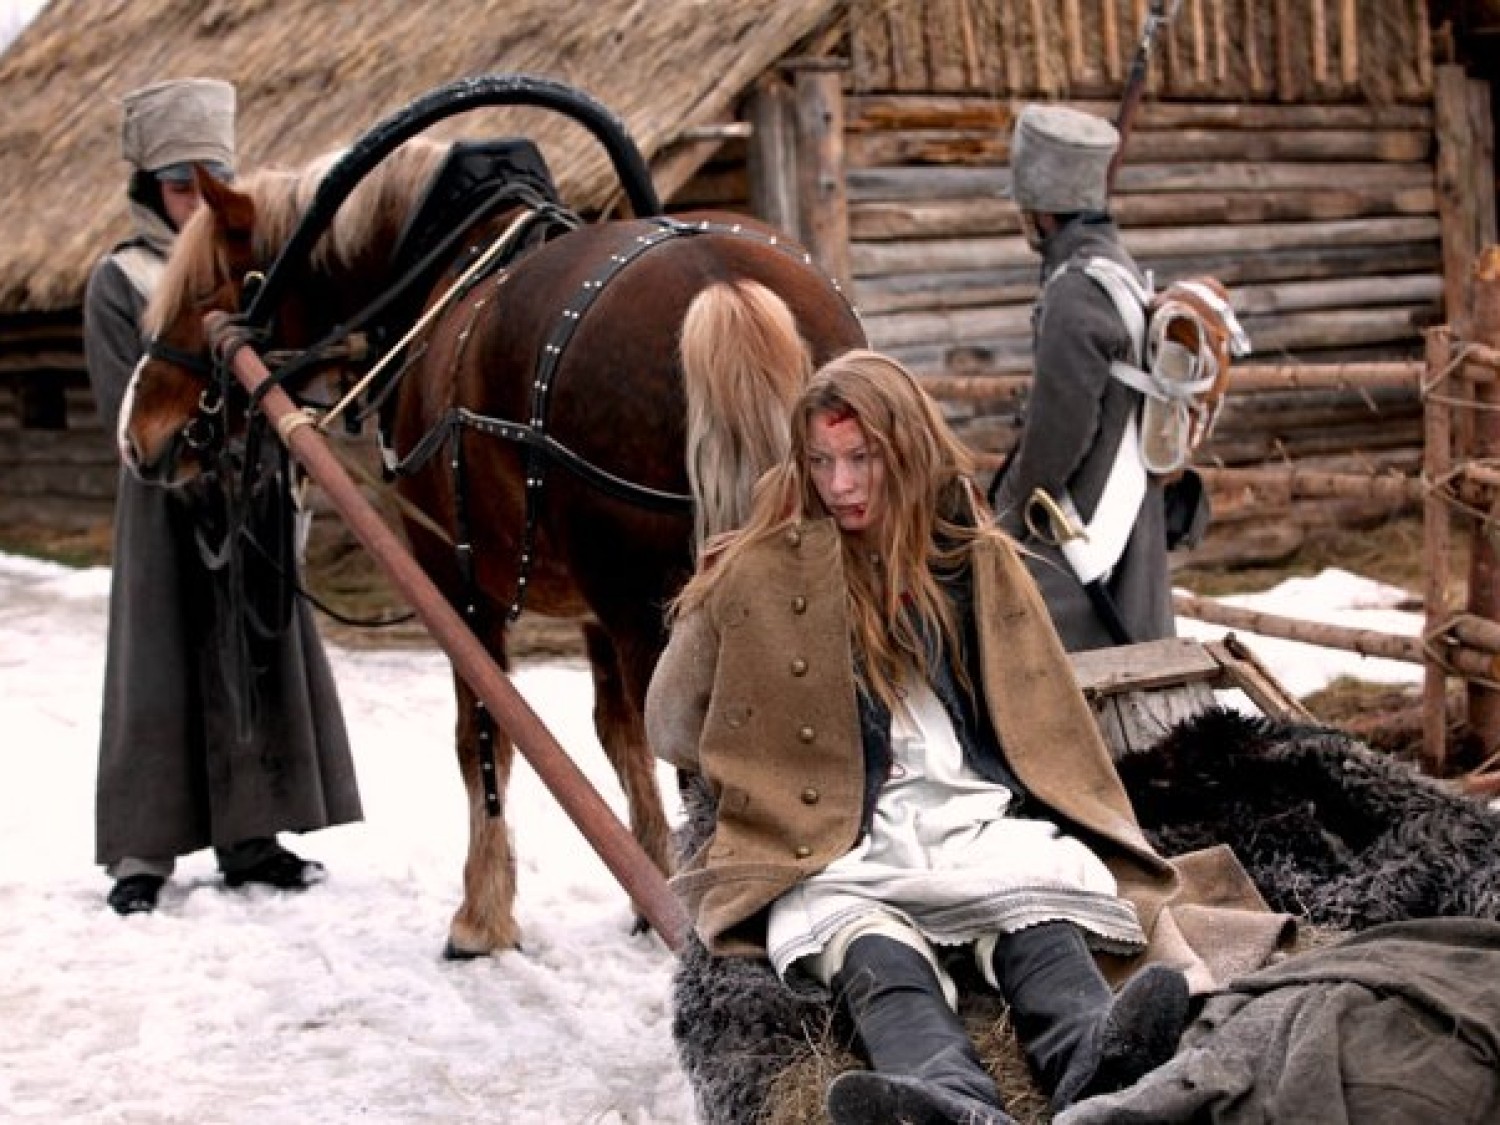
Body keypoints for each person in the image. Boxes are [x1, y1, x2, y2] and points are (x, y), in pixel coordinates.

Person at [646, 350, 1289, 1124]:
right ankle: (949, 1102)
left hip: (970, 812)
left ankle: (1099, 1061)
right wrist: (715, 618)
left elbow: (1041, 713)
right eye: (819, 461)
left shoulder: (972, 560)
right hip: (835, 842)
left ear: (908, 450)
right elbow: (670, 724)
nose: (839, 484)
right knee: (874, 952)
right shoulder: (764, 569)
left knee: (1036, 914)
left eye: (860, 458)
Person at [84, 78, 362, 917]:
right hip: (166, 509)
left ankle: (252, 837)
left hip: (257, 498)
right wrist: (203, 453)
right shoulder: (120, 279)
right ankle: (143, 852)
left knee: (258, 658)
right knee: (159, 672)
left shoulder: (254, 272)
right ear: (151, 188)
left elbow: (298, 370)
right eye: (179, 185)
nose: (194, 201)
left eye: (209, 182)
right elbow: (131, 414)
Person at [990, 104, 1175, 651]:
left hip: (1088, 522)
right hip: (1110, 512)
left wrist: (1012, 515)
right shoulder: (1112, 267)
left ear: (1042, 213)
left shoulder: (1077, 288)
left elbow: (1060, 431)